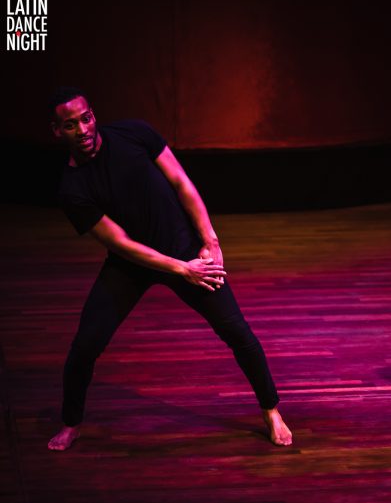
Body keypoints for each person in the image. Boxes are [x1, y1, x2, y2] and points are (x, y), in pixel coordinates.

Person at [47, 86, 292, 451]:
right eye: (70, 125)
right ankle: (71, 423)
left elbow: (181, 182)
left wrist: (210, 241)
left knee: (236, 332)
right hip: (133, 263)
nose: (82, 130)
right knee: (85, 346)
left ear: (94, 115)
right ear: (57, 132)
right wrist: (182, 269)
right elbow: (120, 243)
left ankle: (272, 412)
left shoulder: (135, 134)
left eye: (86, 119)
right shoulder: (73, 188)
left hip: (184, 246)